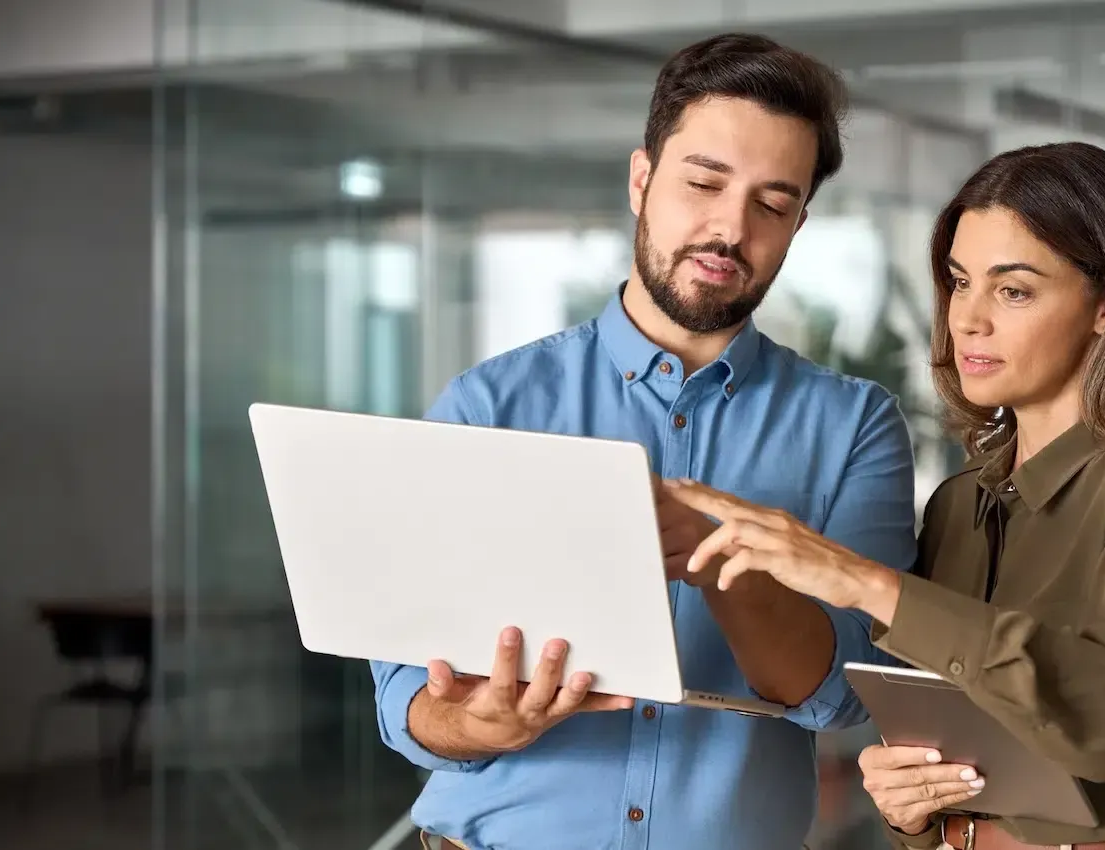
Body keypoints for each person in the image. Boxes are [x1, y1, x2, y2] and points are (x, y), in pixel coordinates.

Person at [367, 33, 921, 850]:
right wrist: (477, 724)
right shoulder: (489, 405)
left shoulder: (854, 426)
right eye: (703, 183)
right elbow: (403, 697)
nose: (729, 229)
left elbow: (845, 694)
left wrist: (719, 551)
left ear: (800, 222)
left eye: (772, 204)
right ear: (641, 180)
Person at [666, 140, 1105, 850]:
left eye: (1013, 290)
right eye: (959, 282)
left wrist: (865, 582)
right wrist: (910, 803)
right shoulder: (959, 505)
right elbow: (952, 749)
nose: (968, 318)